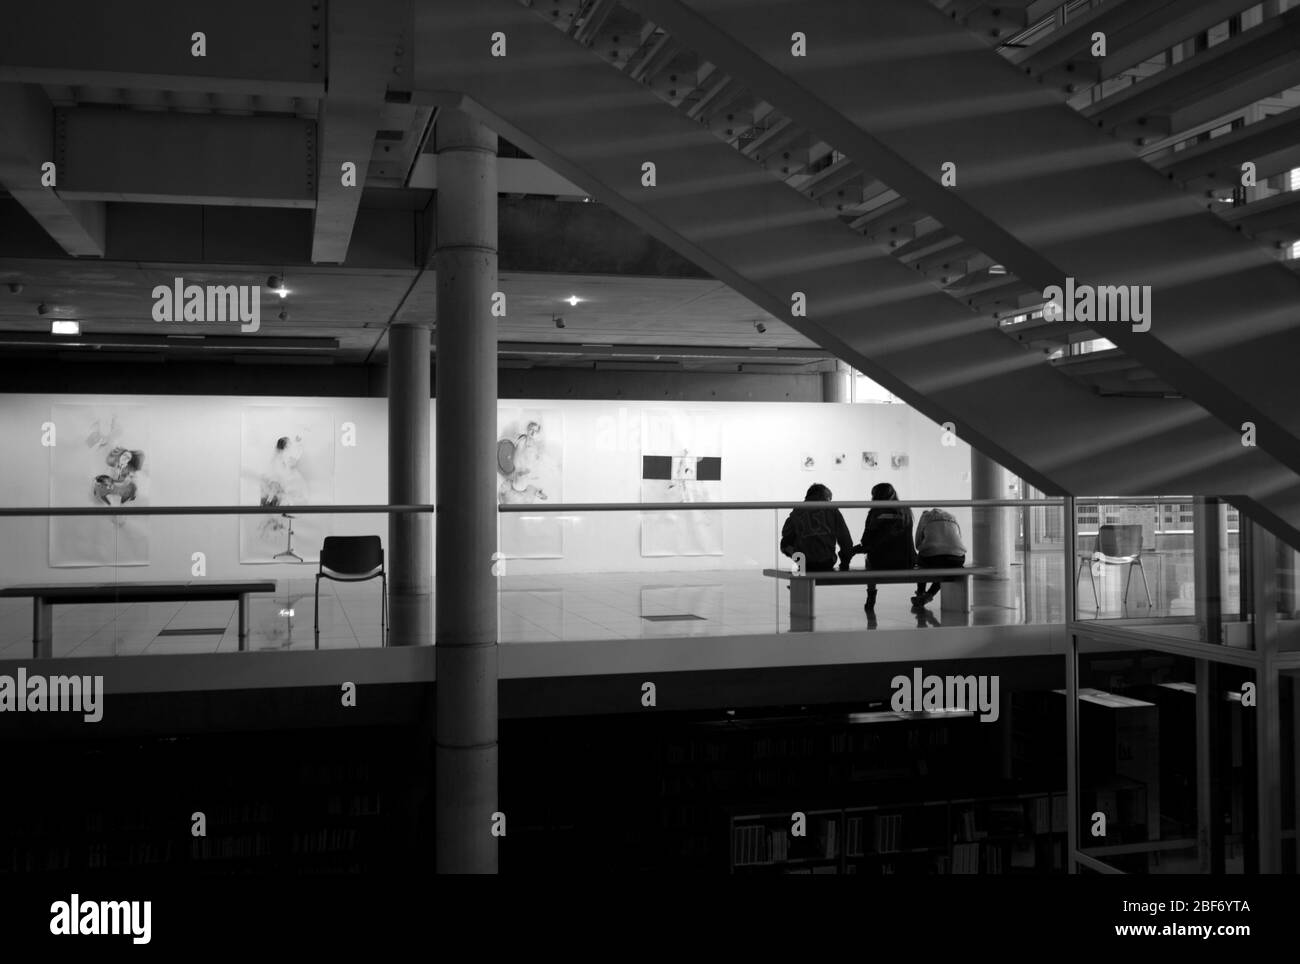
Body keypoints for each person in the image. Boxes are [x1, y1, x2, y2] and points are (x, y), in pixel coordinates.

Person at [860, 482, 921, 613]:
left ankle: (871, 596)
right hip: (906, 562)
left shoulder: (875, 513)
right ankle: (920, 594)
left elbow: (865, 542)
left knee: (868, 560)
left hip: (880, 564)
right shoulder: (906, 511)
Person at [780, 483, 855, 573]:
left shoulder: (797, 511)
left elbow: (786, 538)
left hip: (805, 563)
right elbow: (845, 540)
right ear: (826, 497)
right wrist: (845, 564)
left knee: (784, 544)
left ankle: (801, 568)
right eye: (829, 499)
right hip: (827, 562)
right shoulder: (832, 510)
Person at [913, 507, 968, 608]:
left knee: (921, 560)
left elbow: (918, 543)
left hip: (934, 558)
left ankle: (920, 592)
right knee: (946, 567)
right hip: (958, 558)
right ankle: (929, 595)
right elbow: (959, 538)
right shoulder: (952, 517)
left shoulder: (925, 517)